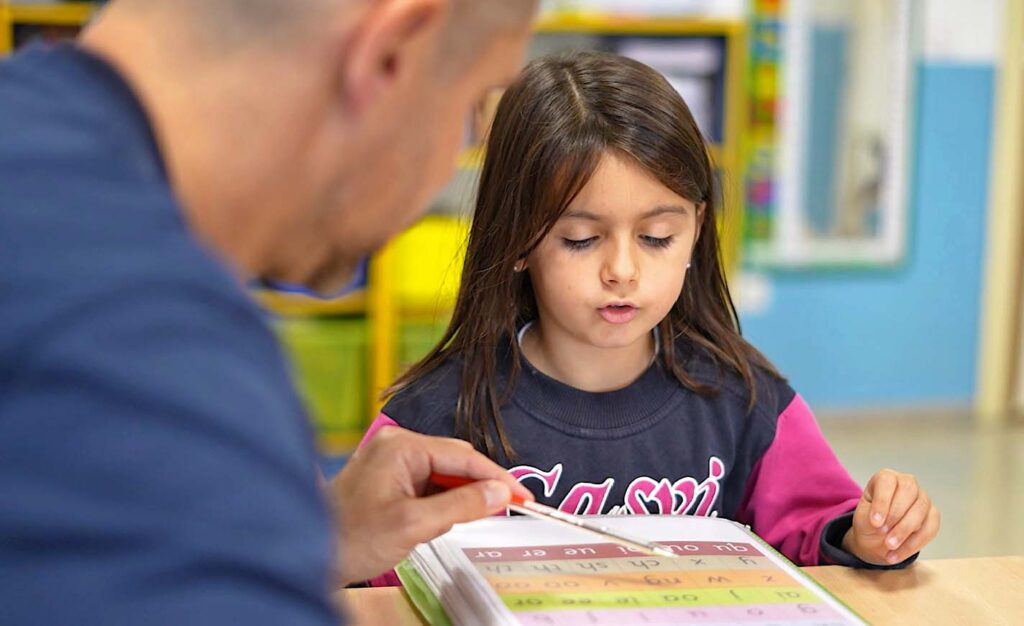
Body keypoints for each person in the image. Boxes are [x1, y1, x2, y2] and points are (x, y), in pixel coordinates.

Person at [0, 0, 537, 624]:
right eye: (473, 104)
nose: (453, 158)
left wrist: (301, 538)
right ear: (390, 54)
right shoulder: (146, 356)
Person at [362, 51, 941, 581]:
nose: (622, 270)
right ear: (518, 238)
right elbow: (358, 574)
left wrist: (873, 531)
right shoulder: (433, 417)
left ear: (695, 229)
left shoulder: (743, 398)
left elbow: (819, 527)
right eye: (582, 239)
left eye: (657, 237)